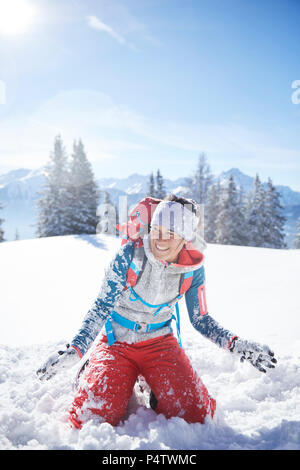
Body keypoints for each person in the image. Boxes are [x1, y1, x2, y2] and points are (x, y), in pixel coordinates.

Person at [36, 194, 277, 428]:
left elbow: (201, 319)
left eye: (171, 234)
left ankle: (149, 380)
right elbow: (101, 307)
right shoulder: (129, 256)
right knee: (93, 417)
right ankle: (93, 368)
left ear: (185, 238)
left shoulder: (192, 269)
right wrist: (76, 349)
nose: (160, 240)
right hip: (116, 341)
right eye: (157, 231)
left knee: (196, 414)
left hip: (160, 342)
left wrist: (235, 344)